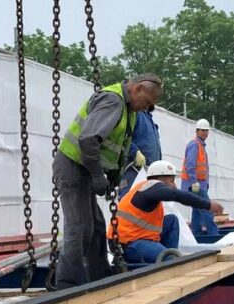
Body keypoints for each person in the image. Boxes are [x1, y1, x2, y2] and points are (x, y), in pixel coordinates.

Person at [53, 74, 163, 289]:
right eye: (147, 102)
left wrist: (113, 174)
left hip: (83, 167)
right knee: (79, 228)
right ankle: (66, 285)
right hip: (73, 166)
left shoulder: (129, 109)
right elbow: (87, 139)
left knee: (96, 226)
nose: (146, 108)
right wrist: (96, 174)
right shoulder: (113, 102)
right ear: (138, 89)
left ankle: (100, 277)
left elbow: (117, 147)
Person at [109, 160, 223, 263]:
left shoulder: (147, 189)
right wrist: (207, 204)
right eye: (172, 181)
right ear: (160, 179)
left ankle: (166, 257)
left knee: (172, 220)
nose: (174, 185)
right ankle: (168, 259)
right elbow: (176, 195)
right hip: (128, 245)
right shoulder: (151, 187)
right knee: (171, 257)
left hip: (139, 237)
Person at [180, 119, 218, 236]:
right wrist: (194, 181)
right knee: (206, 209)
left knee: (197, 211)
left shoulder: (200, 146)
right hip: (194, 185)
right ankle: (214, 236)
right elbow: (190, 165)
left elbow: (202, 168)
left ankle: (196, 235)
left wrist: (205, 184)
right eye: (202, 130)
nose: (205, 133)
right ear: (197, 131)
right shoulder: (194, 145)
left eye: (206, 131)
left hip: (198, 185)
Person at [118, 106, 162, 199]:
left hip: (149, 173)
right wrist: (135, 151)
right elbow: (123, 136)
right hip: (134, 169)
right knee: (128, 202)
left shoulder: (149, 119)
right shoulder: (135, 114)